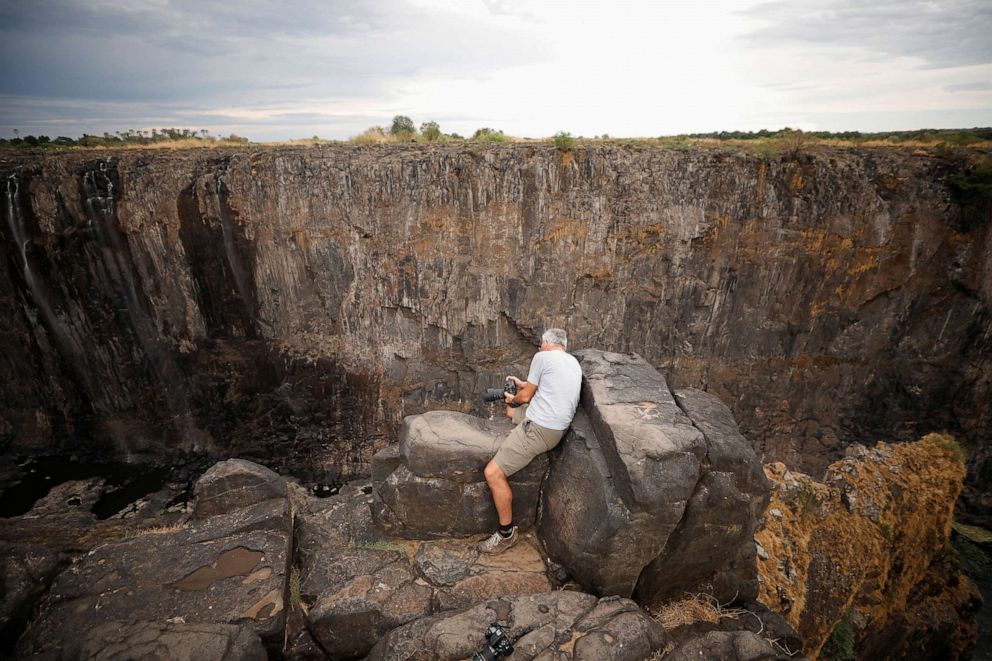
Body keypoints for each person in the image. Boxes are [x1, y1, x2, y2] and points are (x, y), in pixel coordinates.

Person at [480, 328, 582, 554]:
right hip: (557, 426)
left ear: (545, 343)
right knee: (510, 413)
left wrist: (514, 398)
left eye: (540, 345)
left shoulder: (542, 357)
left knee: (492, 473)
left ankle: (506, 534)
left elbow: (525, 397)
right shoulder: (572, 361)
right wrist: (520, 384)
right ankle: (510, 402)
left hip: (539, 429)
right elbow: (540, 388)